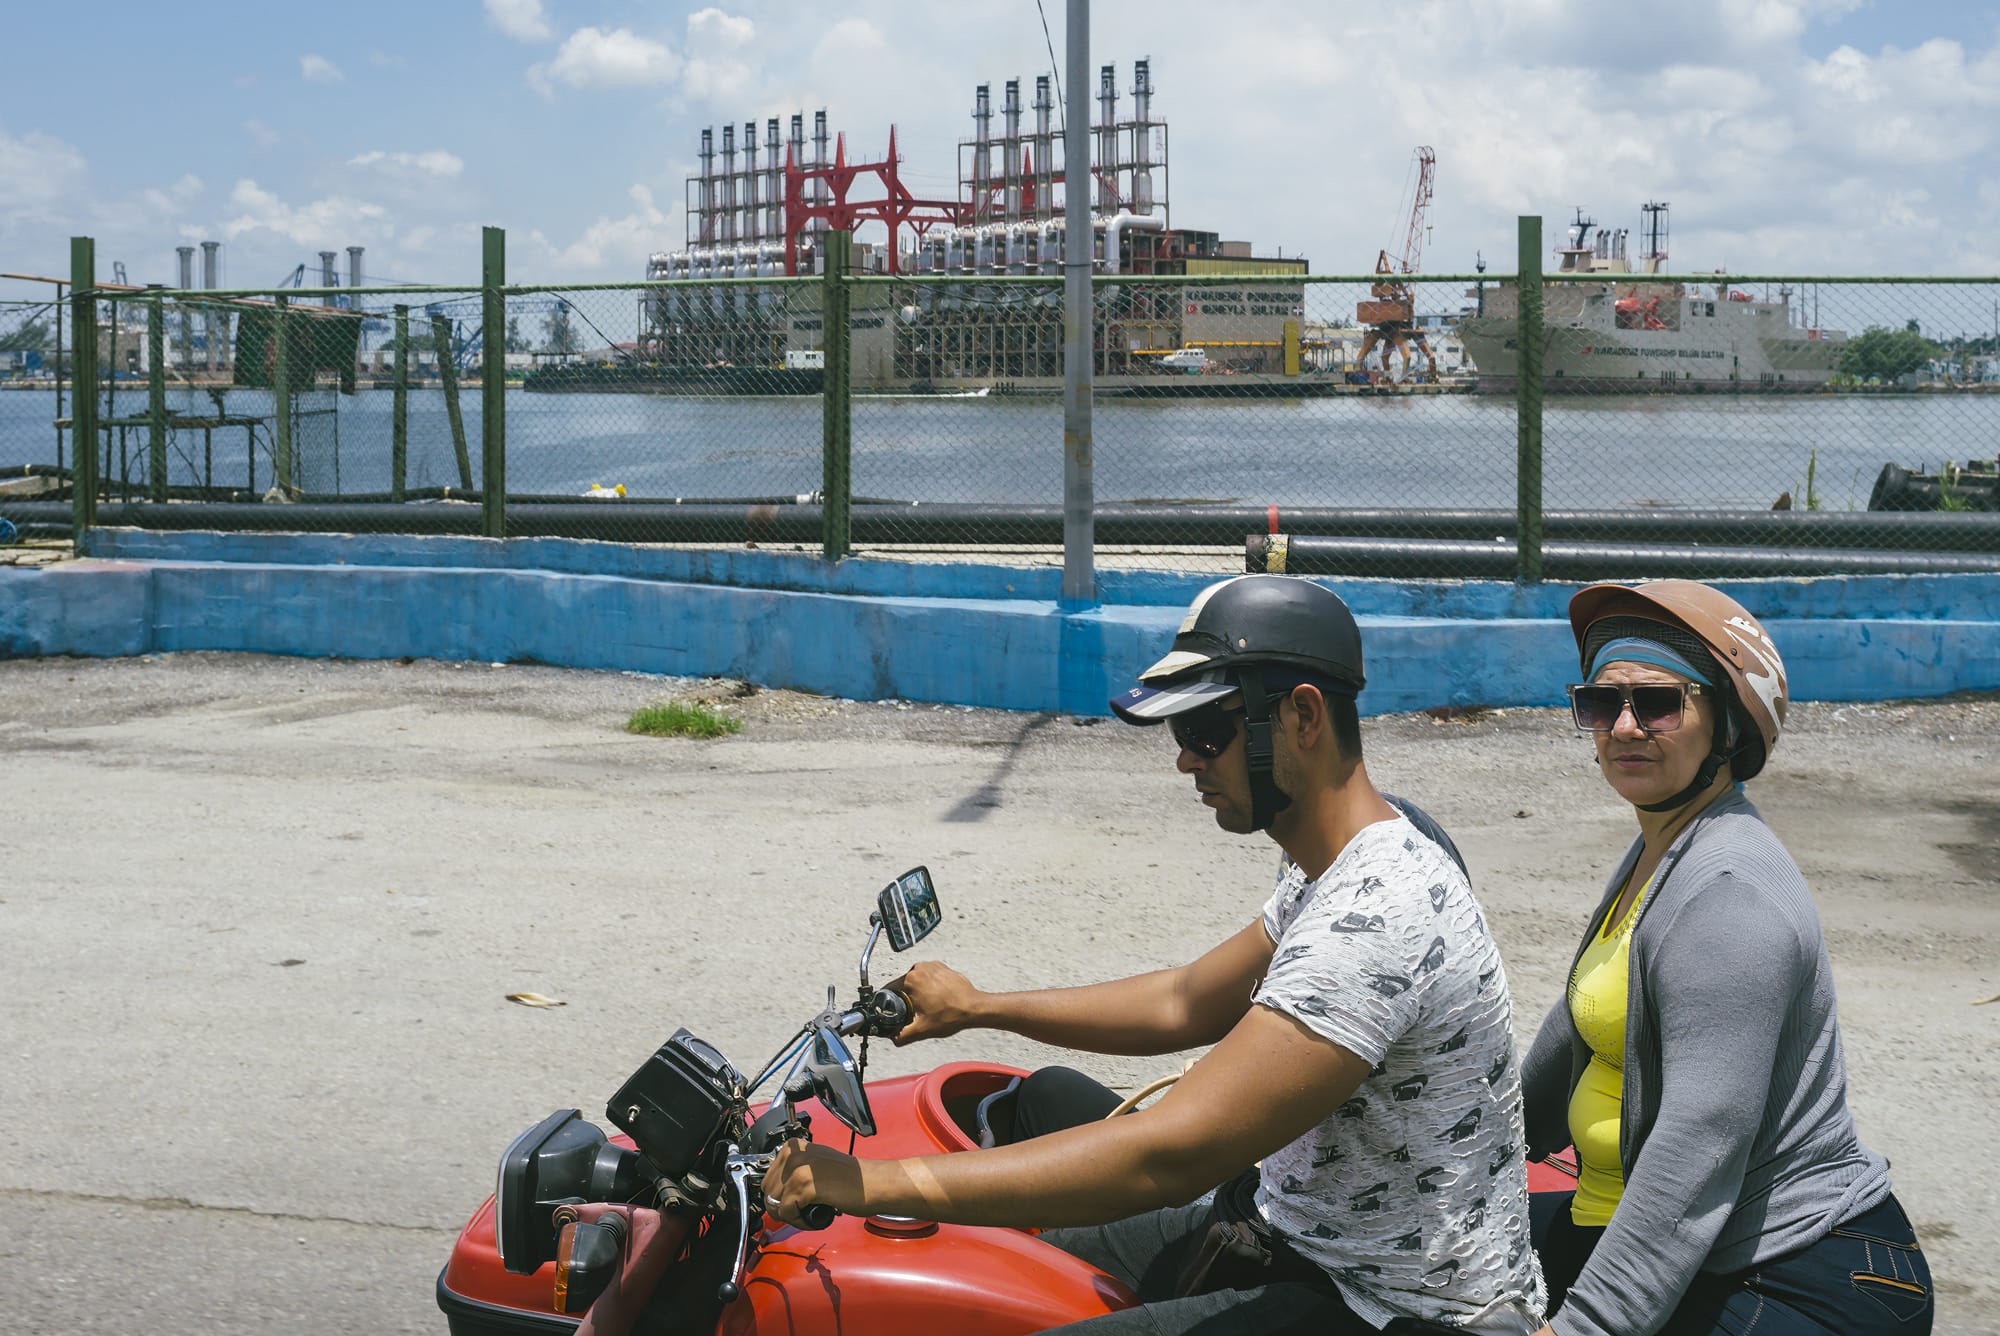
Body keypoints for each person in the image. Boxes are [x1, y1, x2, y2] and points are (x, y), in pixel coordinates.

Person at [766, 574, 1547, 1334]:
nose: (1186, 760)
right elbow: (1184, 1000)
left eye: (1207, 731)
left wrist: (869, 1183)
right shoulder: (1335, 866)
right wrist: (980, 1008)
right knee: (1005, 1250)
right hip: (1295, 1233)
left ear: (1303, 717)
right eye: (1182, 735)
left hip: (1384, 1307)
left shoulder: (1379, 914)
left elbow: (1170, 1156)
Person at [1524, 580, 1935, 1335]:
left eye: (1658, 704)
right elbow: (1571, 1037)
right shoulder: (1660, 852)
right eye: (1599, 704)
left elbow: (1699, 1143)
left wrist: (1585, 1328)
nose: (1623, 727)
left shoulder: (1728, 892)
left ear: (1726, 721)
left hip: (1797, 1273)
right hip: (1653, 1235)